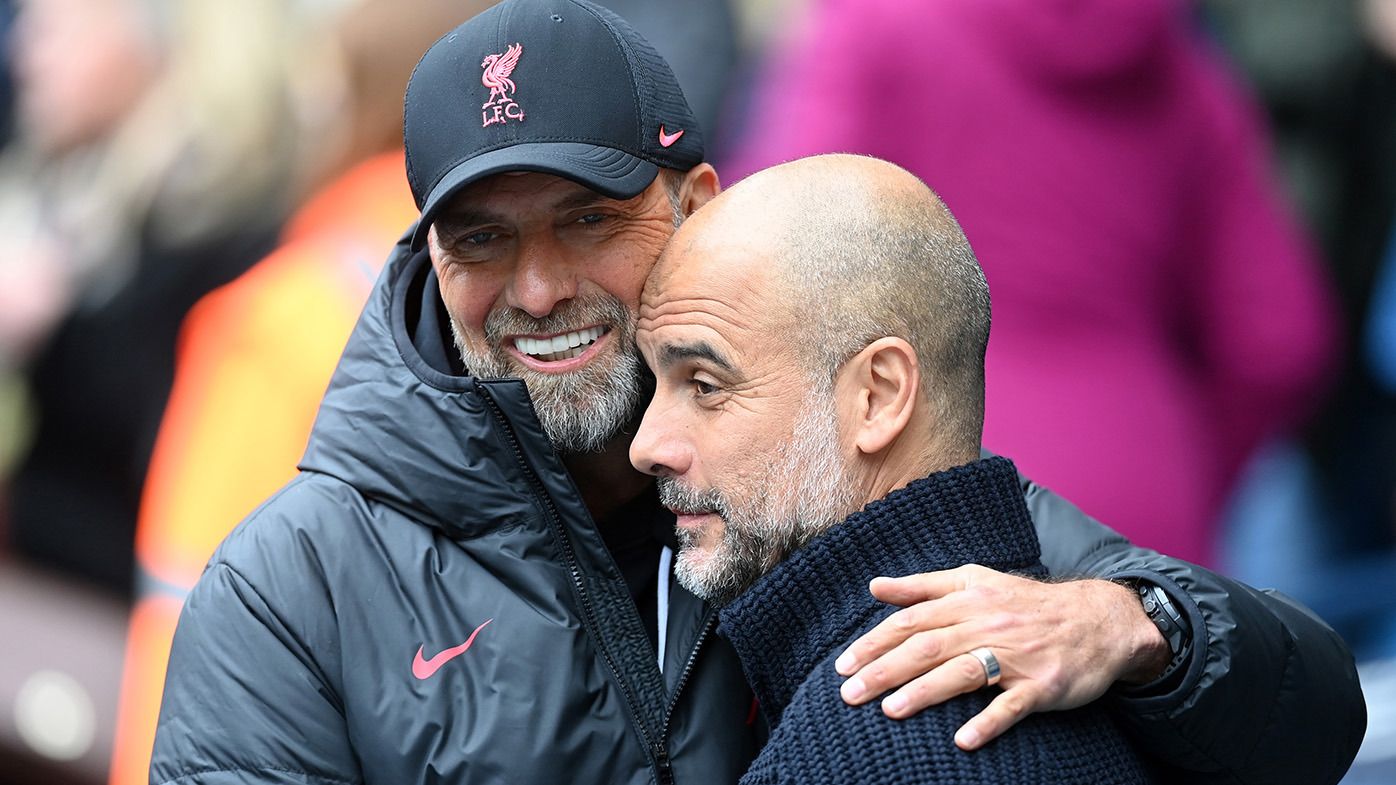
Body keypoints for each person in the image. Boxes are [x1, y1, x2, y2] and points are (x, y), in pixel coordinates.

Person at [151, 1, 1365, 783]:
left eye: (587, 219)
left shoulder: (822, 467)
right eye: (479, 241)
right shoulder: (289, 583)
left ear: (701, 205)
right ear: (424, 258)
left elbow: (1313, 711)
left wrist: (1135, 627)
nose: (537, 286)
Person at [629, 152, 1150, 783]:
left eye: (705, 384)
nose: (646, 445)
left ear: (876, 397)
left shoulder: (874, 745)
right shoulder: (1078, 690)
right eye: (654, 380)